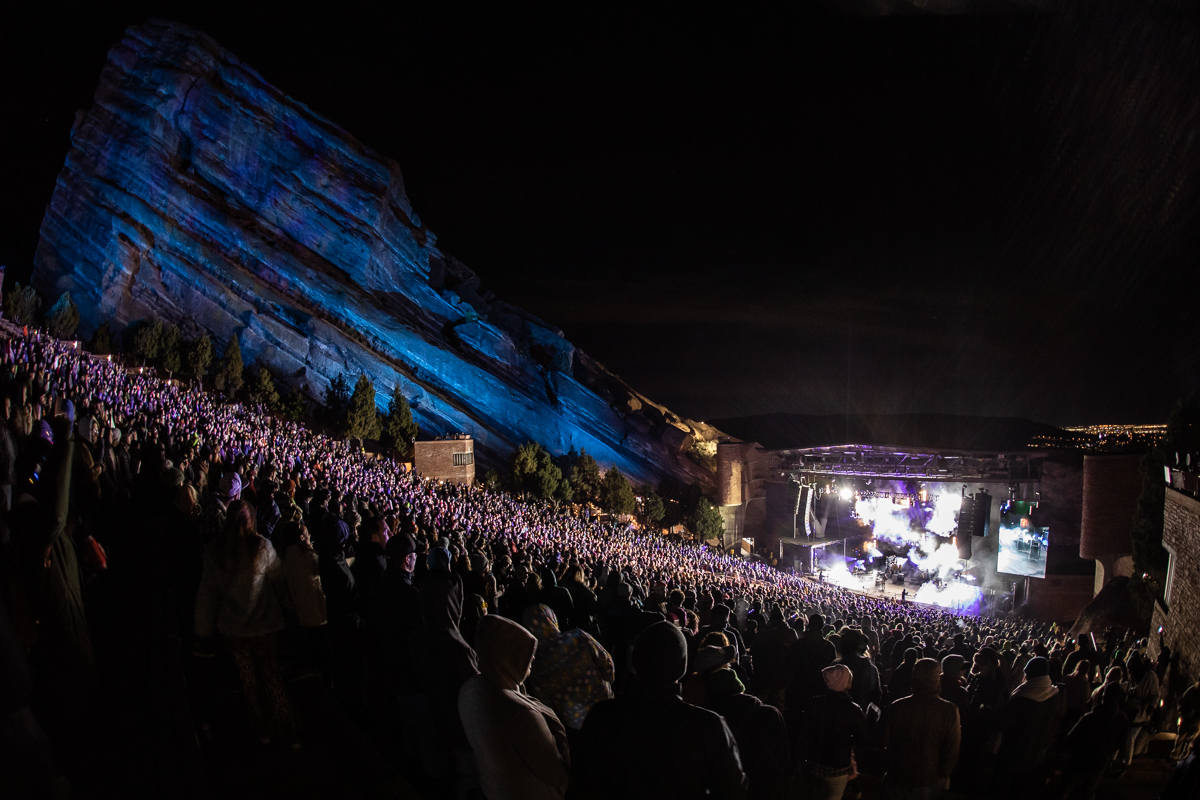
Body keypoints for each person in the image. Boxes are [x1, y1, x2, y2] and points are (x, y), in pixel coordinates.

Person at [573, 621, 747, 799]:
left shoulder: (602, 717)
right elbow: (733, 789)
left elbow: (582, 785)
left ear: (636, 659)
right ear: (682, 665)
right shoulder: (709, 727)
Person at [194, 500, 299, 747]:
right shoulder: (261, 546)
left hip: (234, 630)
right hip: (265, 626)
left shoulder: (214, 552)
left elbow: (207, 595)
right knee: (271, 676)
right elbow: (278, 575)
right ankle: (289, 729)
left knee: (248, 680)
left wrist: (202, 630)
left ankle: (262, 729)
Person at [459, 615, 570, 800]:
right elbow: (556, 774)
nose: (532, 657)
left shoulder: (470, 687)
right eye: (525, 652)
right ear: (509, 657)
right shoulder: (521, 713)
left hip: (492, 789)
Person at [521, 604, 614, 736]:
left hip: (575, 722)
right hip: (603, 703)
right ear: (551, 618)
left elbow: (545, 702)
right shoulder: (578, 637)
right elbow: (607, 663)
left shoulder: (534, 664)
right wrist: (609, 680)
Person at [883, 658, 960, 800]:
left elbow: (884, 740)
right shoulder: (949, 710)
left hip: (899, 772)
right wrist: (944, 774)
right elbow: (951, 749)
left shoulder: (897, 706)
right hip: (928, 777)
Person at [996, 656, 1065, 791]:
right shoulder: (1053, 693)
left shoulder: (1024, 697)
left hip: (1015, 747)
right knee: (1022, 782)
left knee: (1006, 784)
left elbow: (1004, 721)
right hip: (1037, 746)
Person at [801, 664, 868, 800]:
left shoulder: (814, 702)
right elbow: (864, 739)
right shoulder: (853, 709)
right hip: (838, 767)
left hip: (813, 760)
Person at [1059, 683, 1129, 800]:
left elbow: (1070, 739)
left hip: (1079, 761)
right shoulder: (1122, 720)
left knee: (1063, 791)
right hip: (1100, 764)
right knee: (1088, 793)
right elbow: (1123, 744)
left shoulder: (1089, 718)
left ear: (1103, 696)